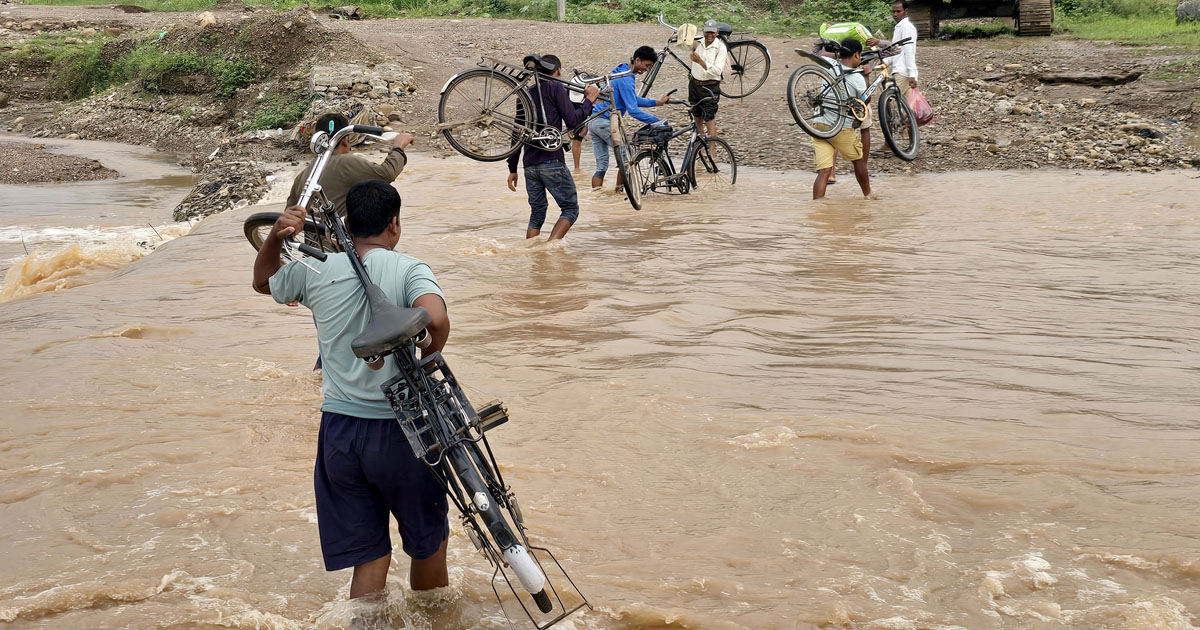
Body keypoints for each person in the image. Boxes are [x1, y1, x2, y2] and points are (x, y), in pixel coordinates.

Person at [253, 180, 452, 599]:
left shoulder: (318, 270)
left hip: (340, 435)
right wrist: (429, 351)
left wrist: (274, 236)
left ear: (345, 223)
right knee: (428, 546)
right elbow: (433, 320)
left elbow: (263, 281)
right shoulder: (408, 268)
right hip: (404, 433)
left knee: (370, 557)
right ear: (394, 225)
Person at [506, 54, 601, 240]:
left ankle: (534, 255)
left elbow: (516, 134)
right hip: (552, 161)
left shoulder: (524, 95)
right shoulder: (556, 87)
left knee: (537, 215)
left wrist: (512, 168)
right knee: (570, 209)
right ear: (557, 71)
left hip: (529, 166)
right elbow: (573, 121)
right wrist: (589, 101)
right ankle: (550, 249)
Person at [286, 112, 414, 216]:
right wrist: (399, 146)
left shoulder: (303, 175)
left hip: (311, 247)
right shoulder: (346, 162)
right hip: (340, 246)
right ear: (345, 141)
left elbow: (288, 214)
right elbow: (388, 173)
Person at [587, 46, 672, 192]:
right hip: (606, 123)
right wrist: (655, 120)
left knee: (601, 165)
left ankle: (597, 198)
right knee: (628, 159)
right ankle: (619, 192)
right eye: (646, 65)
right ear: (637, 60)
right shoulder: (626, 79)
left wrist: (656, 102)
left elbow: (631, 99)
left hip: (594, 122)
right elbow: (633, 110)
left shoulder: (620, 70)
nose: (646, 70)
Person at [811, 38, 871, 200]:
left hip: (819, 124)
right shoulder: (857, 78)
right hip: (841, 128)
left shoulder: (829, 66)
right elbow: (864, 101)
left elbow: (817, 53)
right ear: (857, 55)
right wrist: (866, 76)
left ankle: (818, 208)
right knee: (858, 161)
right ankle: (868, 196)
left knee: (823, 172)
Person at [689, 20, 728, 138]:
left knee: (709, 118)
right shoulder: (697, 42)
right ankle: (701, 146)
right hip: (694, 84)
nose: (709, 35)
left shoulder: (720, 48)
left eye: (712, 32)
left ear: (717, 32)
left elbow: (717, 71)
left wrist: (701, 62)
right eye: (707, 32)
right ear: (703, 31)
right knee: (696, 115)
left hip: (710, 87)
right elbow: (683, 42)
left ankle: (712, 151)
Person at [884, 0, 919, 102]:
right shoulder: (899, 27)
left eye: (898, 11)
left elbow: (909, 52)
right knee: (908, 106)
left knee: (887, 98)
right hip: (900, 70)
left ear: (906, 11)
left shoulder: (906, 27)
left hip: (902, 71)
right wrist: (885, 62)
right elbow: (897, 51)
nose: (895, 14)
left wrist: (912, 74)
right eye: (893, 12)